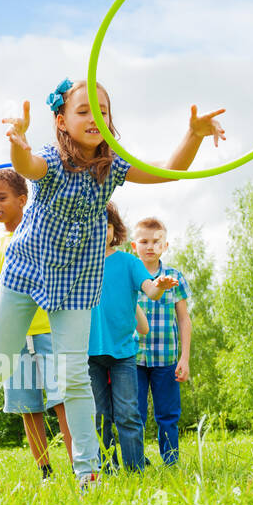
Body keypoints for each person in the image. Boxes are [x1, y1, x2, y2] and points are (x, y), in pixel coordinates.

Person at [0, 77, 224, 492]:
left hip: (77, 282)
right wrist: (18, 139)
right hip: (27, 269)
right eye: (84, 111)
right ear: (62, 121)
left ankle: (87, 473)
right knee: (0, 359)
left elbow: (169, 173)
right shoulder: (48, 158)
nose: (95, 118)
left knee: (74, 376)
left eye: (102, 111)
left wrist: (193, 134)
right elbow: (26, 166)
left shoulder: (112, 166)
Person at [0, 168, 73, 479]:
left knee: (62, 399)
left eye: (1, 198)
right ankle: (46, 471)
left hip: (48, 330)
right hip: (15, 339)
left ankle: (79, 465)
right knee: (26, 405)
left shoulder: (40, 234)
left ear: (22, 199)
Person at [89, 202, 165, 473]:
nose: (100, 230)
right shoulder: (80, 264)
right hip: (89, 352)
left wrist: (158, 287)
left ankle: (135, 470)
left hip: (123, 351)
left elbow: (151, 290)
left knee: (128, 413)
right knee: (99, 416)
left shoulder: (129, 262)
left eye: (105, 224)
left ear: (114, 229)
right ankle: (107, 469)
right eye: (93, 223)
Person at [133, 217, 192, 466]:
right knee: (132, 414)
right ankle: (135, 460)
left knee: (167, 414)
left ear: (165, 246)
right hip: (132, 358)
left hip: (166, 358)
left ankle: (170, 461)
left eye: (156, 242)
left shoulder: (174, 277)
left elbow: (184, 320)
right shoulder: (130, 274)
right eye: (144, 241)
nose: (150, 247)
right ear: (134, 246)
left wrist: (185, 358)